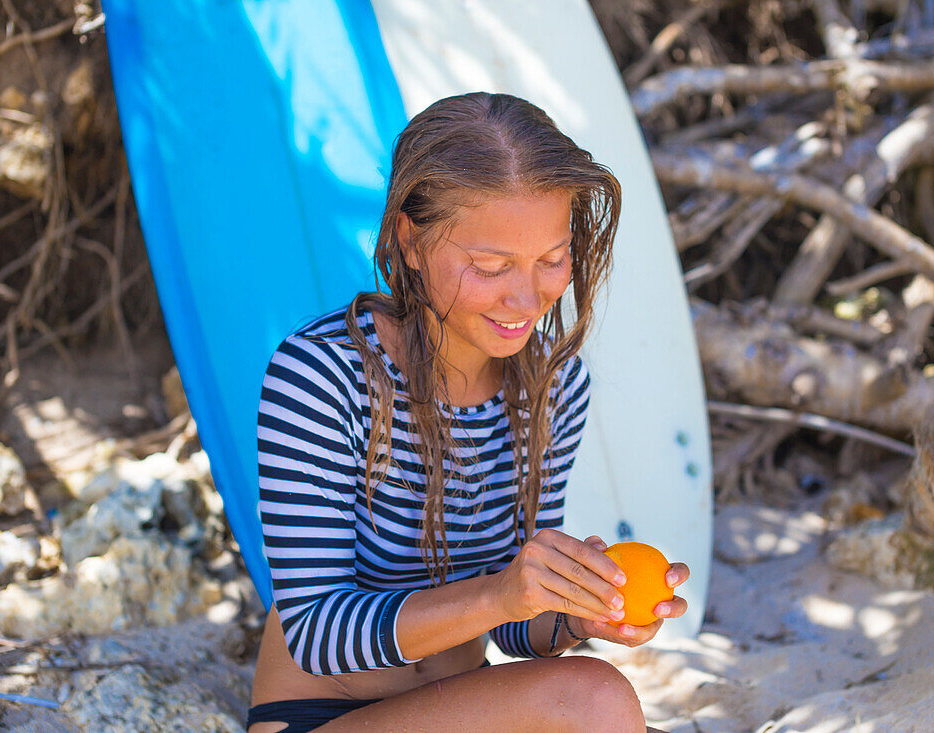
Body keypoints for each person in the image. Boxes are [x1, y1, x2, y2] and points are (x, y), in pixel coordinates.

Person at [247, 92, 689, 733]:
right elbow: (317, 632)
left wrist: (573, 611)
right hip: (317, 715)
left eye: (552, 260)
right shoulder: (322, 377)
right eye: (489, 266)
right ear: (410, 238)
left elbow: (513, 629)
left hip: (467, 703)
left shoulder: (554, 385)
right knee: (597, 700)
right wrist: (503, 592)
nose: (526, 297)